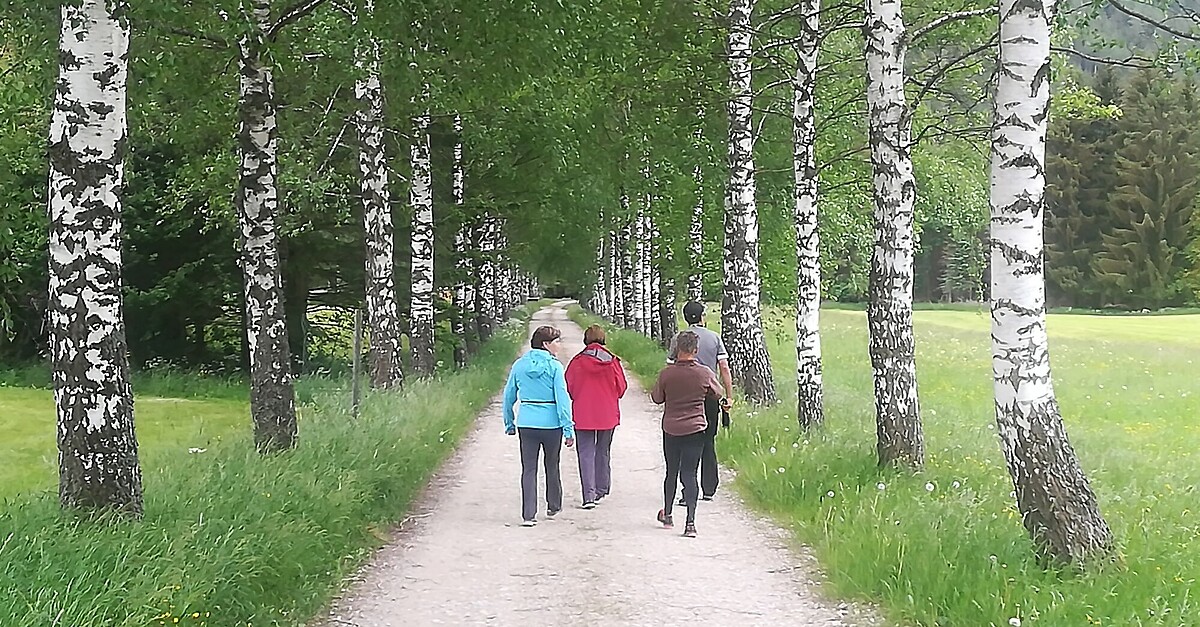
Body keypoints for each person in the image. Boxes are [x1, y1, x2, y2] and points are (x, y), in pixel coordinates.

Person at [651, 330, 725, 538]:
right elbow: (717, 393)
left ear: (677, 349)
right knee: (690, 474)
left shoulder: (667, 373)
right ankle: (690, 523)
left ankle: (668, 515)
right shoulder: (704, 373)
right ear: (696, 350)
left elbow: (657, 398)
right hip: (695, 428)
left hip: (671, 428)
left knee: (671, 472)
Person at [502, 325, 575, 527]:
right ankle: (553, 504)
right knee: (552, 465)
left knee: (528, 468)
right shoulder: (555, 367)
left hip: (526, 422)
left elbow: (508, 396)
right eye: (556, 341)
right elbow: (563, 399)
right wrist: (568, 428)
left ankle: (528, 514)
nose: (559, 345)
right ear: (546, 344)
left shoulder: (519, 365)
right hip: (551, 424)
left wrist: (509, 422)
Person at [667, 301, 734, 501]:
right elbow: (724, 368)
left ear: (686, 317)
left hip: (684, 395)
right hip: (710, 395)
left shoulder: (679, 339)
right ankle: (709, 487)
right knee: (707, 440)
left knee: (686, 441)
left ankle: (688, 488)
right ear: (702, 316)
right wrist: (728, 395)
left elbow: (670, 368)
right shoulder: (714, 338)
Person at [565, 325, 628, 509]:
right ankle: (602, 488)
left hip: (583, 413)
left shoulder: (577, 361)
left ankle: (588, 496)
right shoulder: (612, 361)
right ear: (603, 339)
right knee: (603, 450)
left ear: (586, 339)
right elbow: (622, 387)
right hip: (607, 413)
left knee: (585, 453)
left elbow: (569, 386)